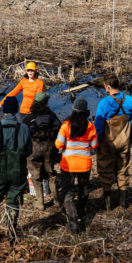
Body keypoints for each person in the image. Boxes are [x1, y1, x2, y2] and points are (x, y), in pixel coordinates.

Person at [0, 96, 32, 245]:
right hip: (17, 174)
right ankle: (11, 238)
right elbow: (29, 152)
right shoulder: (24, 128)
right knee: (13, 203)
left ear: (4, 111)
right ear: (16, 110)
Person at [95, 71, 132, 210]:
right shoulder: (130, 100)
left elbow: (99, 125)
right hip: (124, 141)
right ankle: (123, 201)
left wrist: (97, 142)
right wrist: (129, 139)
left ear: (107, 86)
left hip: (108, 143)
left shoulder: (104, 102)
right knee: (123, 169)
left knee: (106, 170)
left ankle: (107, 203)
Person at [55, 98, 98, 233]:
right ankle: (81, 211)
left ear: (73, 110)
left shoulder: (66, 125)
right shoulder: (90, 126)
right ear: (86, 112)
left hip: (68, 164)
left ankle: (73, 220)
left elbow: (58, 144)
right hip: (85, 164)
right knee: (83, 188)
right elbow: (94, 145)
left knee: (67, 191)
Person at [23, 91, 63, 210]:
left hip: (34, 149)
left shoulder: (29, 118)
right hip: (49, 148)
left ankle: (40, 203)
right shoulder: (52, 116)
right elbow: (59, 130)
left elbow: (24, 135)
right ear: (46, 103)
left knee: (36, 176)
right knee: (51, 174)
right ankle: (57, 201)